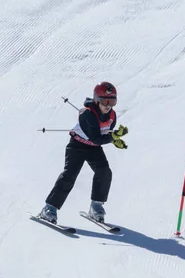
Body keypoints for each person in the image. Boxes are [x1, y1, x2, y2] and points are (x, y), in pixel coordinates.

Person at [39, 82, 128, 224]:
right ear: (96, 100)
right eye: (105, 101)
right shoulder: (88, 115)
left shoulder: (112, 115)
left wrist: (113, 139)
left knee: (104, 172)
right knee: (70, 175)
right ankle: (49, 208)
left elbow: (104, 133)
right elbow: (96, 137)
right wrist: (113, 137)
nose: (108, 105)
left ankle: (96, 206)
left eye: (112, 101)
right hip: (77, 146)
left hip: (93, 148)